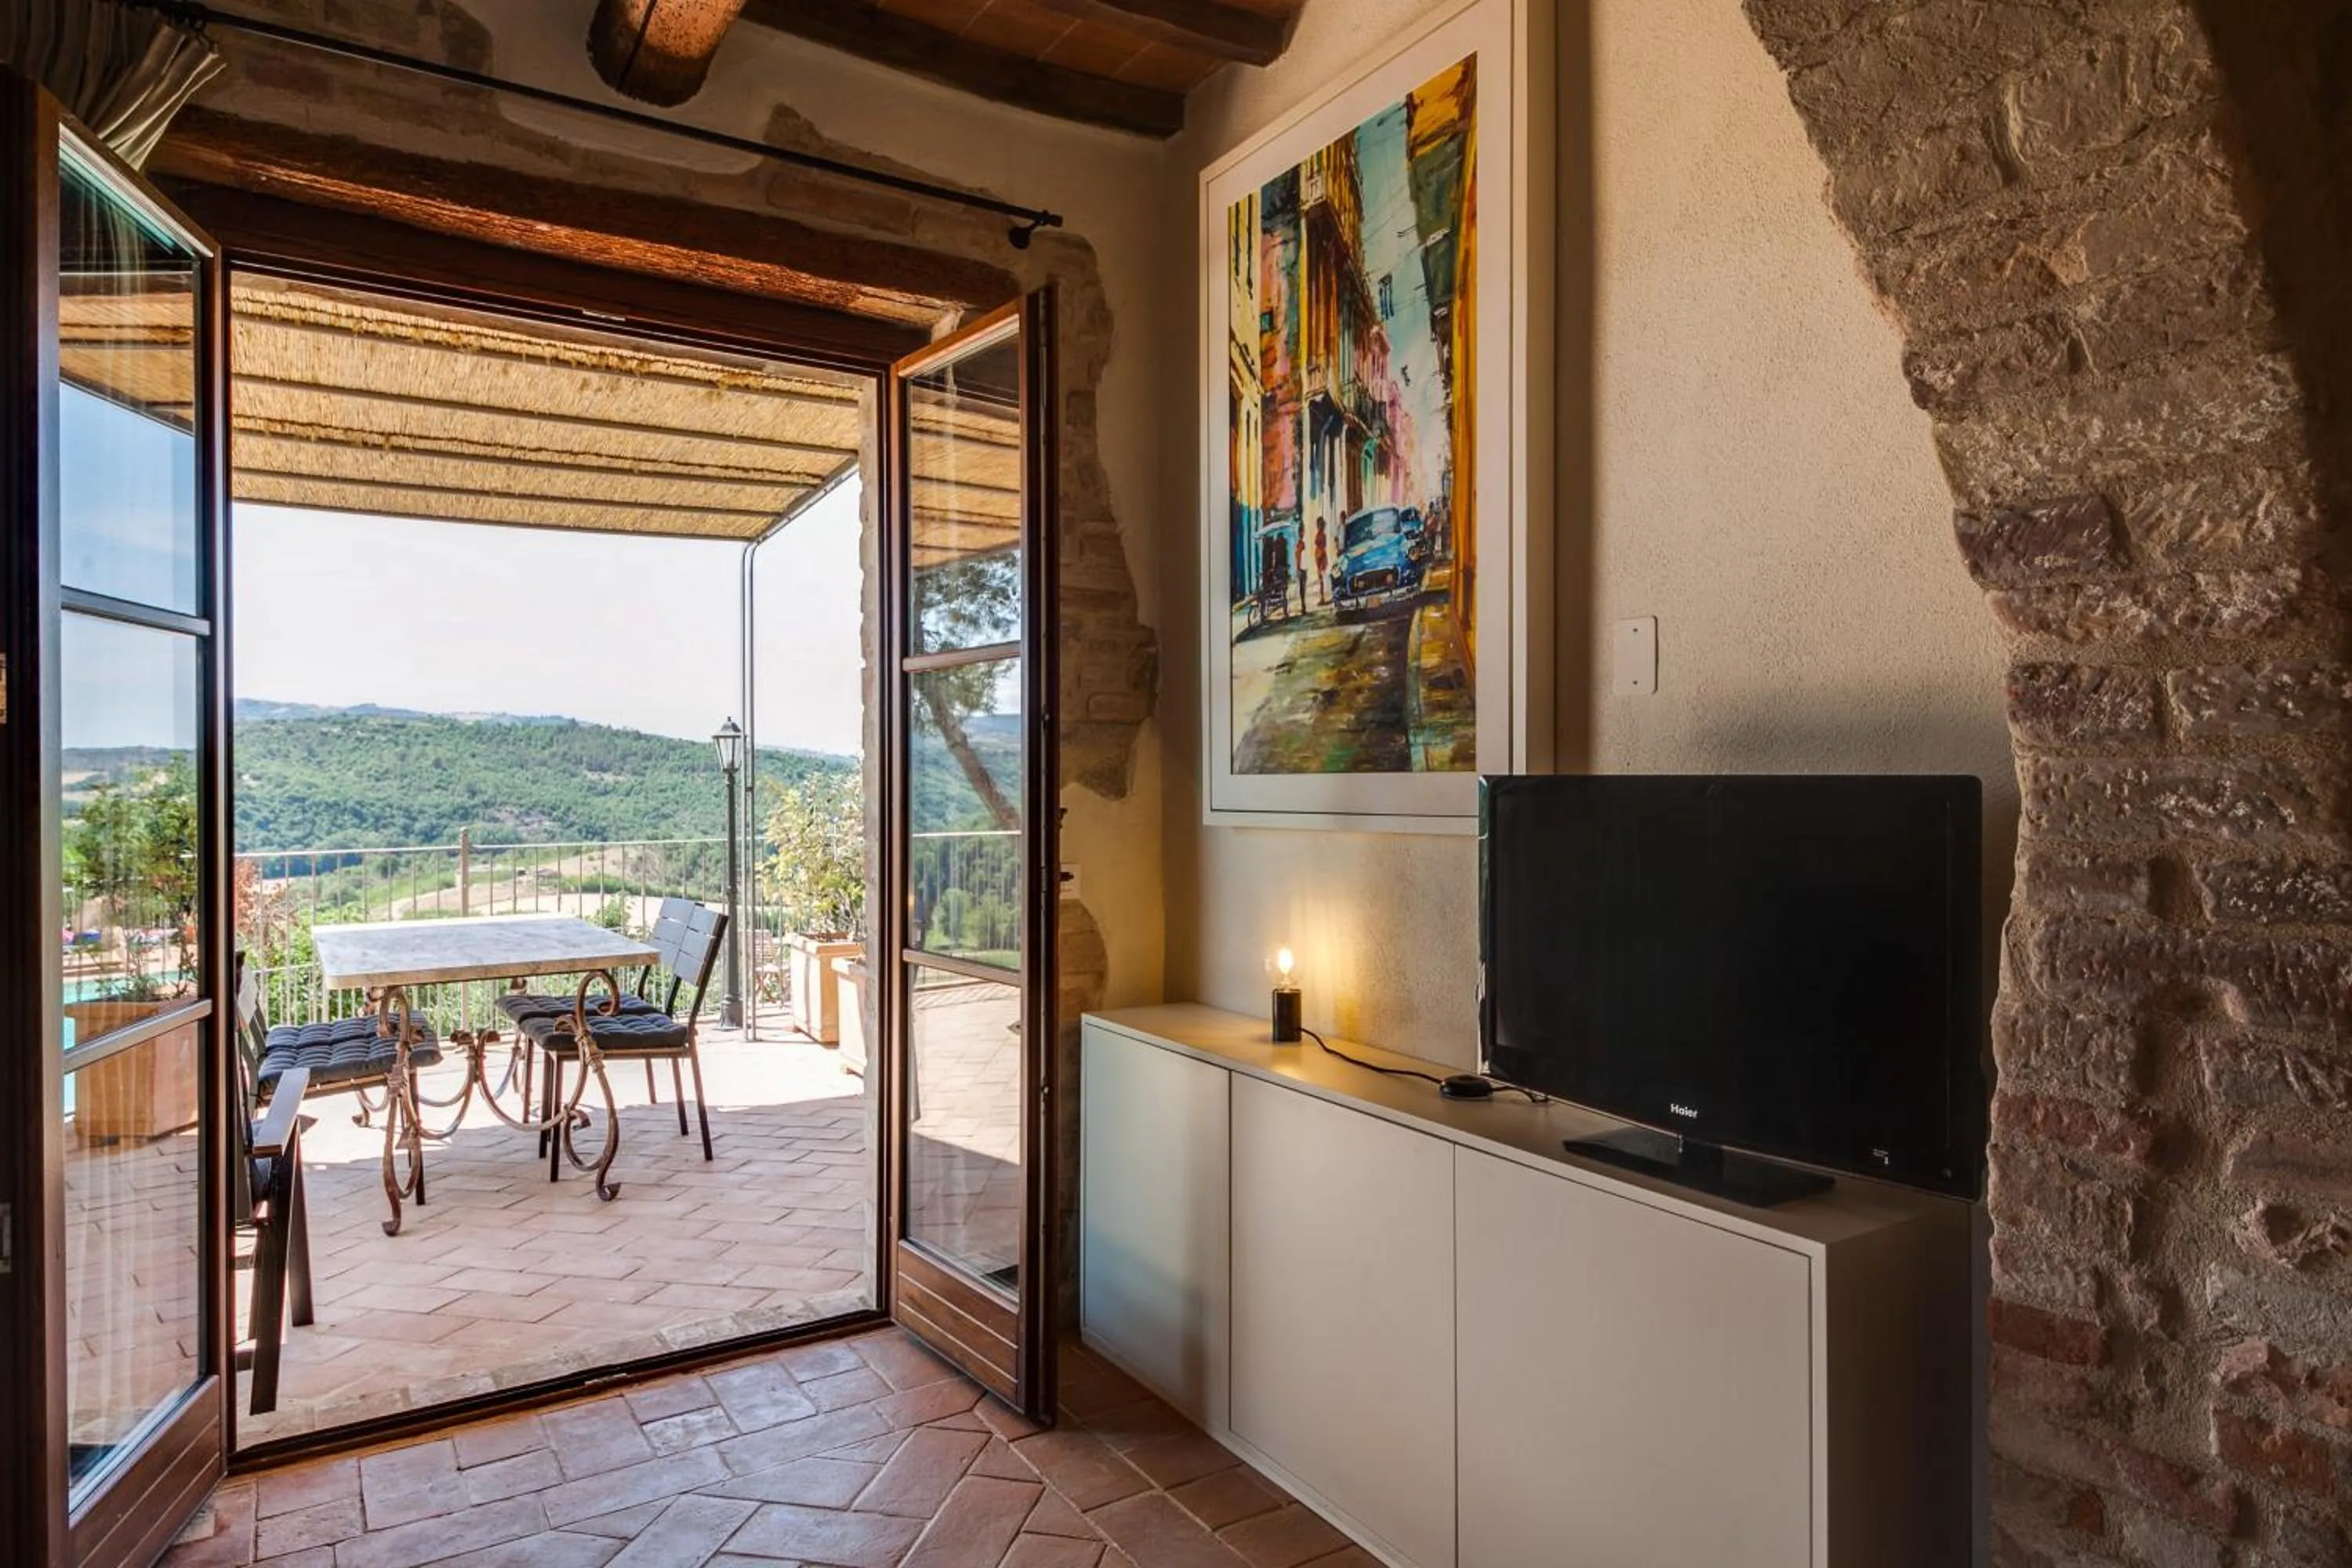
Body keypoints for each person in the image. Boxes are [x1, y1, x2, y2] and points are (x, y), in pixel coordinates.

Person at [1313, 517, 1330, 605]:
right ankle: (1322, 597)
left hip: (1321, 558)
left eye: (1318, 524)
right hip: (1319, 557)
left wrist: (1321, 559)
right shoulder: (1320, 534)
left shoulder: (1322, 535)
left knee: (1321, 579)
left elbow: (1322, 547)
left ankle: (1323, 598)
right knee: (1321, 579)